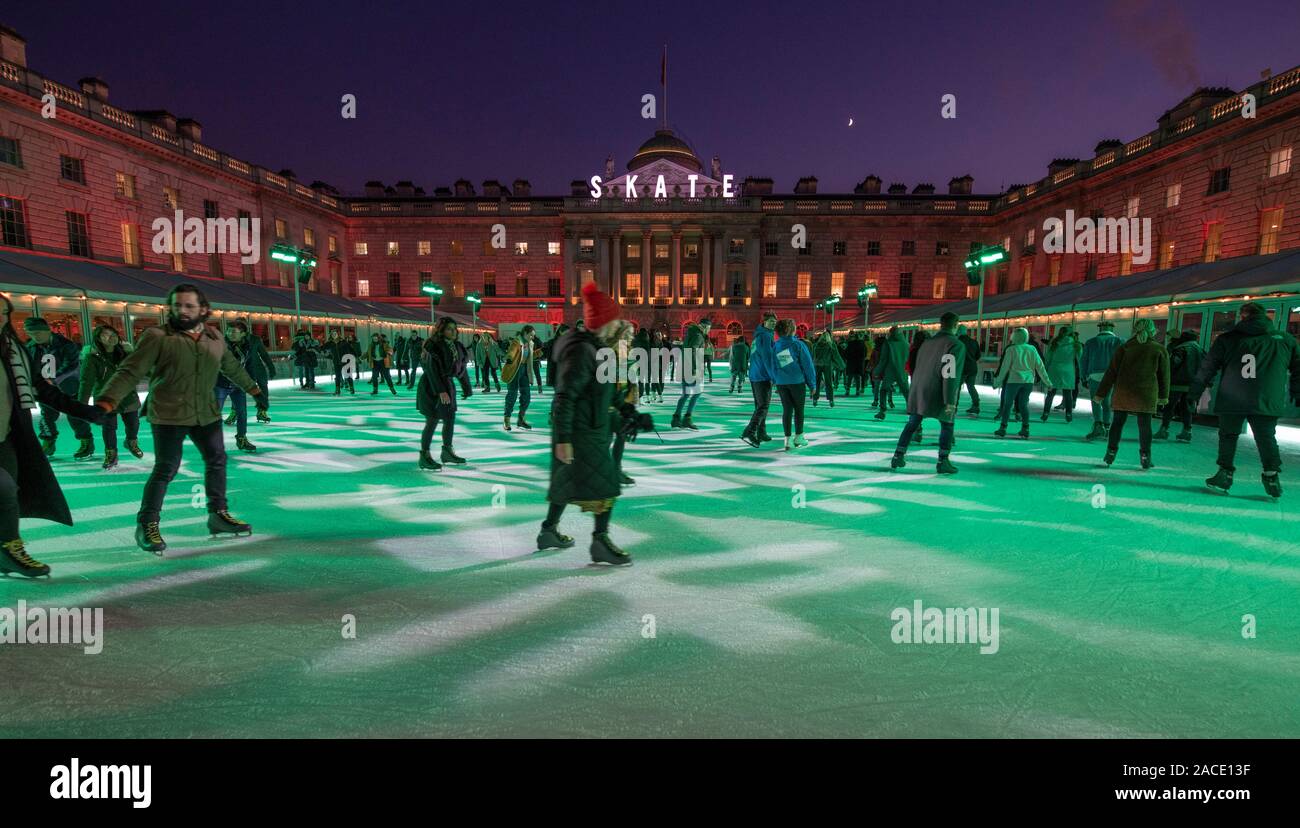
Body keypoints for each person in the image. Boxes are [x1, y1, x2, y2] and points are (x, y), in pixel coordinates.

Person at [95, 284, 263, 554]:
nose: (182, 311)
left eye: (188, 306)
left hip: (205, 413)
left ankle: (217, 514)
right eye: (177, 306)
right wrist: (107, 400)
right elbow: (130, 370)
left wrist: (254, 390)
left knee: (217, 461)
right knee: (166, 468)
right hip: (169, 413)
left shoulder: (214, 338)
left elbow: (231, 367)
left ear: (204, 310)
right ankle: (147, 524)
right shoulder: (157, 336)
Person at [0, 293, 105, 576]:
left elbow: (42, 388)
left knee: (8, 492)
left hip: (6, 436)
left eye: (3, 313)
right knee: (4, 489)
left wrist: (85, 411)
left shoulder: (14, 350)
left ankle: (7, 550)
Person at [535, 281, 630, 565]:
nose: (618, 325)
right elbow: (566, 395)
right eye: (614, 319)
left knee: (567, 483)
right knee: (607, 484)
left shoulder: (596, 348)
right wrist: (563, 438)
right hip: (580, 432)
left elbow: (607, 389)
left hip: (591, 427)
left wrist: (626, 410)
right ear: (605, 321)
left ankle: (548, 531)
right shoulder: (582, 351)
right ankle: (600, 542)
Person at [1189, 302, 1300, 497]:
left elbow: (1208, 367)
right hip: (1266, 398)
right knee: (1266, 437)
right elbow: (1298, 369)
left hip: (1233, 397)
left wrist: (1194, 392)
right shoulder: (1285, 340)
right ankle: (1272, 476)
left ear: (1243, 316)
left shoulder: (1227, 339)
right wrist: (1296, 392)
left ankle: (1225, 474)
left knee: (1228, 436)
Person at [890, 312, 964, 474]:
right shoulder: (955, 345)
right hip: (939, 391)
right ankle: (943, 460)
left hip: (920, 390)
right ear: (956, 324)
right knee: (947, 424)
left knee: (912, 424)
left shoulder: (927, 343)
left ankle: (898, 455)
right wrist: (950, 400)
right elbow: (949, 374)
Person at [1095, 318, 1169, 469]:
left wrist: (1101, 393)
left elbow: (1111, 372)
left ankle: (1110, 452)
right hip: (1146, 393)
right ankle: (1145, 457)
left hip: (1124, 391)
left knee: (1117, 423)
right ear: (1152, 330)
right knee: (1145, 426)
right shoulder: (1159, 349)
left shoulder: (1125, 347)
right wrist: (1163, 396)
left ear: (1135, 329)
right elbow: (1164, 376)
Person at [22, 317, 93, 460]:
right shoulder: (30, 347)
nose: (35, 336)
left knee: (75, 416)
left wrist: (53, 380)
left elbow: (72, 365)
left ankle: (86, 442)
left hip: (68, 387)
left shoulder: (66, 345)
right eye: (31, 333)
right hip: (45, 390)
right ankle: (48, 442)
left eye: (38, 333)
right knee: (47, 416)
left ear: (47, 331)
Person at [78, 325, 142, 470]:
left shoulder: (125, 354)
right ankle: (111, 453)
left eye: (112, 333)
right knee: (109, 428)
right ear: (98, 339)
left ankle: (131, 442)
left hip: (127, 395)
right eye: (105, 335)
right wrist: (81, 404)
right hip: (106, 397)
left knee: (133, 424)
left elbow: (141, 370)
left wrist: (133, 353)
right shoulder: (92, 358)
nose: (110, 336)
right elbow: (86, 382)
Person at [415, 318, 472, 470]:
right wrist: (440, 390)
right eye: (449, 329)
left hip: (448, 386)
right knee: (432, 420)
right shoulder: (433, 346)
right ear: (441, 330)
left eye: (454, 328)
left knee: (450, 419)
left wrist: (466, 387)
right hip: (431, 386)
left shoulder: (457, 346)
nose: (453, 331)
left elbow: (461, 368)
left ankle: (447, 451)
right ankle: (425, 456)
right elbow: (431, 368)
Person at [216, 321, 274, 452]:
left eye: (234, 332)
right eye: (228, 331)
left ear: (243, 334)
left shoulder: (247, 346)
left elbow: (248, 366)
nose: (230, 333)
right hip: (220, 384)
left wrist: (252, 384)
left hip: (238, 385)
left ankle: (241, 439)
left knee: (242, 413)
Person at [764, 319, 816, 451]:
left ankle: (787, 439)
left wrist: (776, 380)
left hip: (782, 383)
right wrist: (812, 384)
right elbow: (807, 365)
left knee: (787, 410)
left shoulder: (775, 346)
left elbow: (772, 365)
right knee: (799, 409)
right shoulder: (798, 345)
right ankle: (799, 436)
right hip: (797, 382)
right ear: (790, 330)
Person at [992, 327, 1052, 439]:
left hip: (1013, 380)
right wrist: (1047, 382)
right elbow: (1040, 366)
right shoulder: (1032, 349)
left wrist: (997, 382)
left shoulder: (1011, 349)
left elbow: (1005, 367)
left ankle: (1003, 428)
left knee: (1007, 404)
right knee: (1023, 405)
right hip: (1028, 381)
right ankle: (1025, 428)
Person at [1156, 329, 1205, 442]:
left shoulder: (1181, 348)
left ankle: (1164, 430)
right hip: (1193, 385)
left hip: (1177, 384)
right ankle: (1187, 431)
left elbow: (1172, 365)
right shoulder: (1200, 350)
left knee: (1169, 407)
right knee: (1187, 408)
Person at [223, 321, 275, 425]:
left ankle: (262, 411)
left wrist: (271, 367)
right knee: (236, 391)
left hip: (257, 369)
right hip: (240, 370)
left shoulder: (255, 340)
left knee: (263, 389)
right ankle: (234, 412)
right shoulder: (227, 340)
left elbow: (264, 354)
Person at [1080, 320, 1121, 440]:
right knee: (1107, 401)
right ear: (1112, 328)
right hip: (1112, 375)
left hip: (1094, 375)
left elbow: (1084, 361)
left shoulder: (1090, 342)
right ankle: (1107, 428)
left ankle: (1098, 426)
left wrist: (1083, 377)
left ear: (1100, 329)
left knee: (1096, 400)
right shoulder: (1119, 341)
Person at [741, 312, 778, 446]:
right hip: (762, 375)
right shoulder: (766, 336)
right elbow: (767, 358)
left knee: (760, 405)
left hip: (755, 374)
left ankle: (761, 432)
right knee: (763, 406)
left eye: (775, 322)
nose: (773, 324)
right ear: (764, 322)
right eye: (771, 321)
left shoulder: (759, 335)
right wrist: (774, 377)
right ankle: (750, 432)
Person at [671, 317, 712, 430]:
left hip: (684, 366)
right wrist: (694, 368)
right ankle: (687, 418)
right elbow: (692, 351)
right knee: (697, 392)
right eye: (709, 328)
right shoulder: (698, 336)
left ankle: (676, 418)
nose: (709, 330)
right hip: (691, 368)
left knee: (686, 394)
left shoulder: (691, 333)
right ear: (704, 326)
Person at [502, 325, 539, 431]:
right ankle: (507, 419)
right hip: (515, 370)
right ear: (525, 333)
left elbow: (528, 356)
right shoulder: (517, 341)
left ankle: (521, 419)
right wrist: (509, 357)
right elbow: (512, 351)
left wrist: (538, 353)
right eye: (531, 335)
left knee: (526, 396)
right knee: (512, 395)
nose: (532, 337)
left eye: (533, 335)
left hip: (525, 372)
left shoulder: (530, 344)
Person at [1042, 327, 1081, 422]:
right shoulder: (1076, 345)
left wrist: (1044, 371)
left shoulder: (1054, 343)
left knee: (1051, 393)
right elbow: (1080, 360)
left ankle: (1046, 413)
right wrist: (1082, 372)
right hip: (1068, 370)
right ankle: (1068, 414)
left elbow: (1048, 358)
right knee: (1068, 394)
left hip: (1054, 369)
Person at [872, 327, 910, 420]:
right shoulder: (906, 344)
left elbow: (883, 359)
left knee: (884, 389)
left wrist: (877, 370)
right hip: (902, 370)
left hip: (890, 370)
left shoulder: (888, 343)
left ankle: (882, 410)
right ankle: (911, 408)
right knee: (906, 391)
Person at [811, 330, 845, 408]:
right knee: (829, 382)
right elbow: (836, 356)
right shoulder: (831, 345)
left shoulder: (816, 345)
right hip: (827, 365)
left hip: (817, 365)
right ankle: (831, 400)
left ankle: (815, 399)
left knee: (817, 382)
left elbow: (813, 356)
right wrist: (841, 365)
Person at [956, 325, 983, 415]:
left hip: (961, 369)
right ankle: (976, 405)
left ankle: (954, 407)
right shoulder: (974, 342)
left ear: (958, 331)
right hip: (972, 368)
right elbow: (978, 356)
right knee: (971, 387)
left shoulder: (957, 342)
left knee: (956, 388)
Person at [844, 331, 867, 397]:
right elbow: (864, 354)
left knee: (850, 377)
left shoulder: (850, 344)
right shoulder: (862, 344)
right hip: (859, 363)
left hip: (851, 362)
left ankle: (847, 390)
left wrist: (848, 358)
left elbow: (846, 353)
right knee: (857, 377)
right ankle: (857, 391)